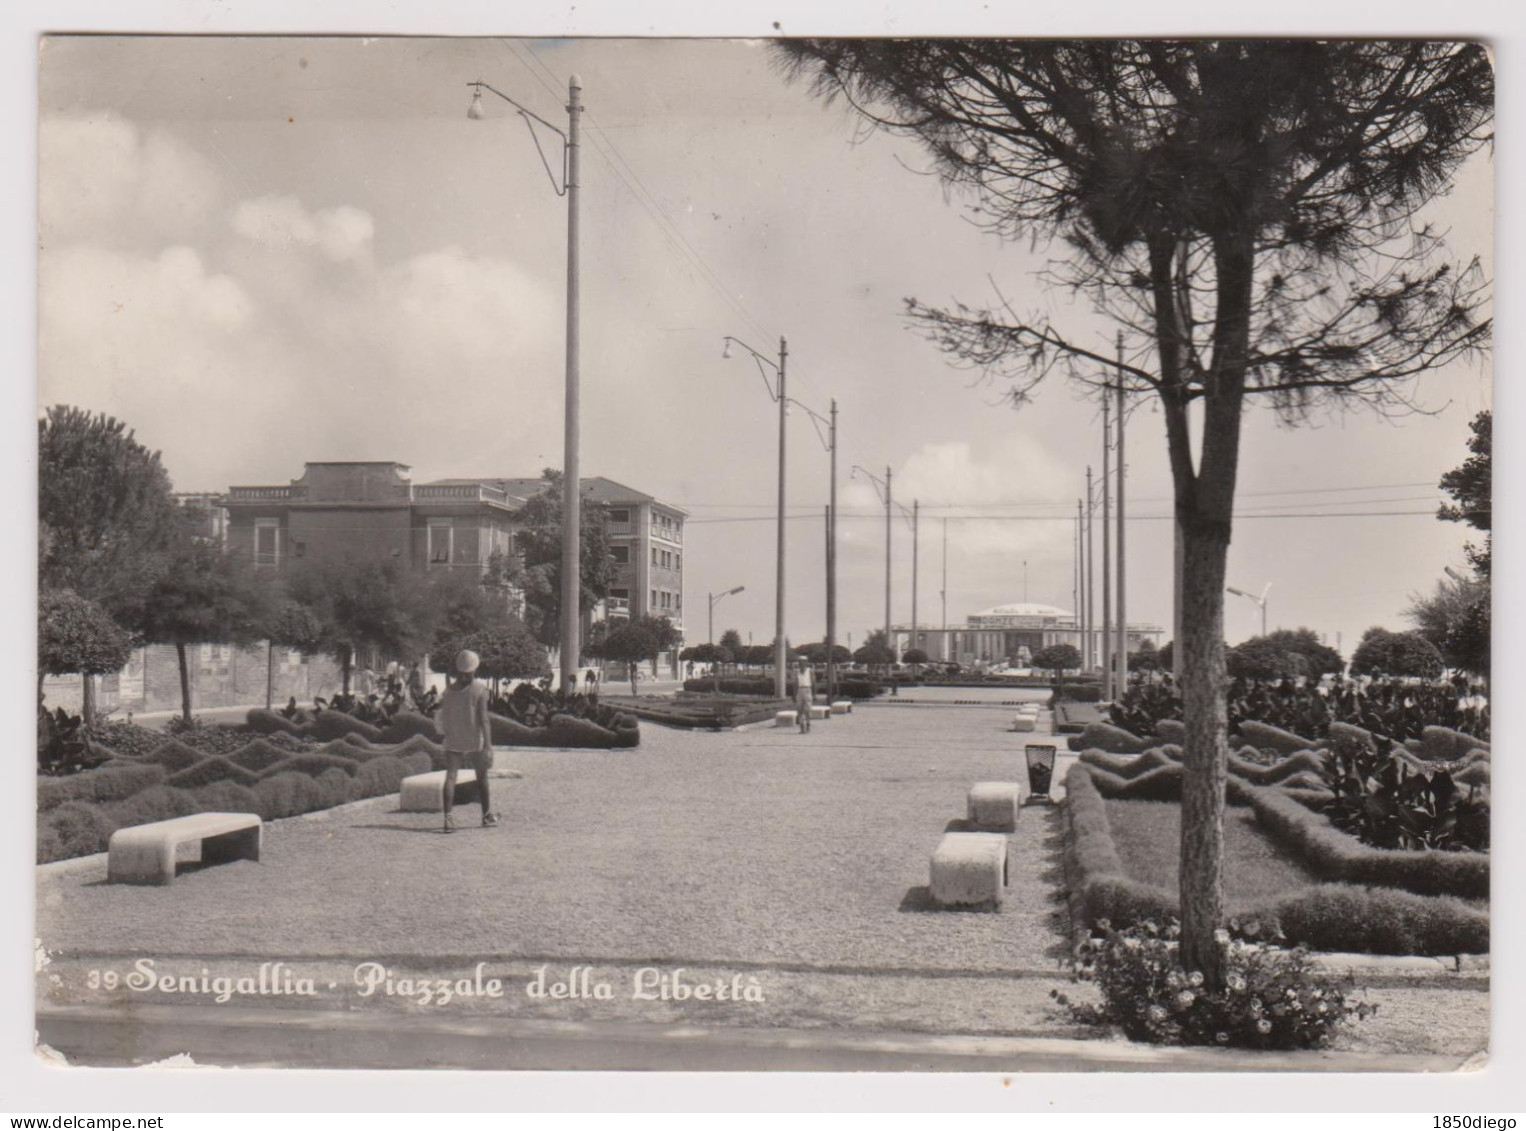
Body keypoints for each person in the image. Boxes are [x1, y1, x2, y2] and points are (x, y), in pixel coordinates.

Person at [438, 649, 496, 833]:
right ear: (474, 669)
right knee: (482, 779)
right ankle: (486, 815)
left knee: (451, 777)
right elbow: (484, 719)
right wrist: (488, 745)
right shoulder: (479, 689)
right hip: (474, 740)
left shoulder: (448, 691)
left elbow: (444, 716)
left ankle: (448, 819)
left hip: (453, 739)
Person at [795, 660, 814, 733]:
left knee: (807, 710)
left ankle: (808, 724)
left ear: (806, 664)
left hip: (808, 689)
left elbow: (813, 682)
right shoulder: (797, 672)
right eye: (800, 664)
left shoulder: (810, 671)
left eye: (803, 664)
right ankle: (802, 727)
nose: (802, 665)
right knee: (800, 710)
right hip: (799, 690)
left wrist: (814, 694)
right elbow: (795, 683)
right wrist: (795, 694)